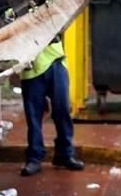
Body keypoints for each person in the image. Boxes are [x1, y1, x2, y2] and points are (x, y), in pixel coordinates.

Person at [19, 36, 84, 176]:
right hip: (31, 67)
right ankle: (34, 157)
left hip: (55, 61)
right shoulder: (11, 13)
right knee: (34, 116)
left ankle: (65, 154)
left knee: (63, 109)